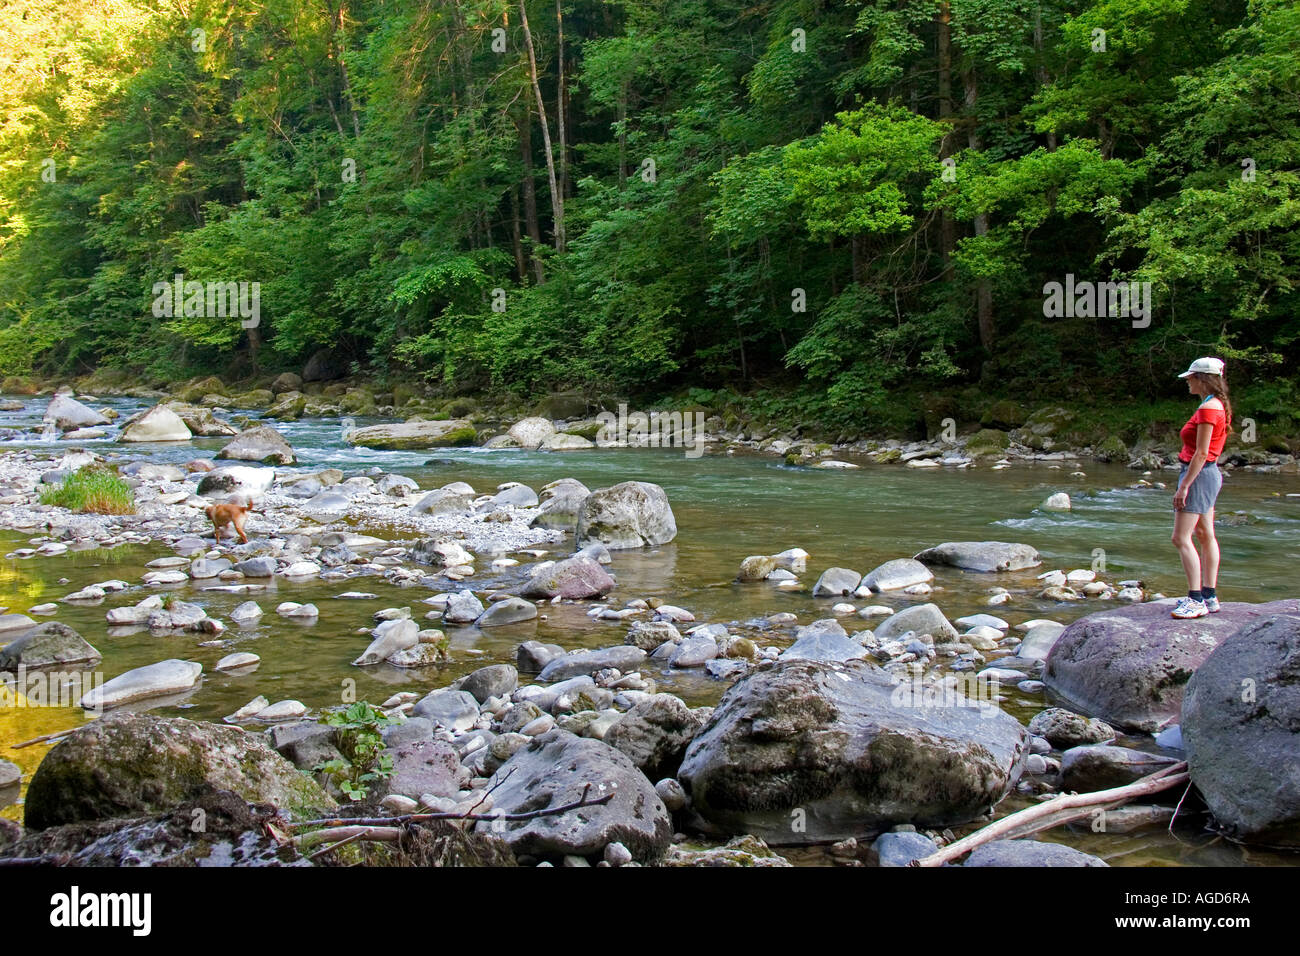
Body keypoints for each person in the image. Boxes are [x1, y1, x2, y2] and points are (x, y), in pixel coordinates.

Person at [1169, 357, 1232, 619]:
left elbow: (1202, 452)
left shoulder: (1208, 410)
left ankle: (1195, 599)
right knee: (1206, 535)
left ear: (1202, 379)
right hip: (1209, 475)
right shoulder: (1217, 405)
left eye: (1190, 377)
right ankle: (1210, 596)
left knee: (1181, 538)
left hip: (1199, 475)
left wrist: (1184, 487)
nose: (1187, 382)